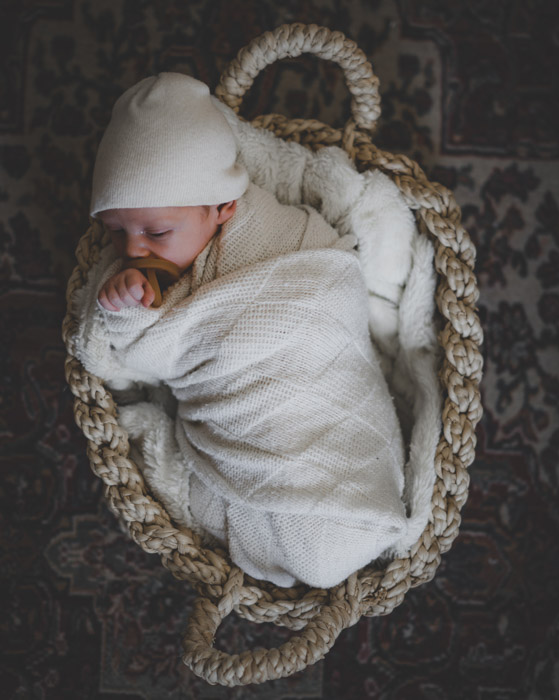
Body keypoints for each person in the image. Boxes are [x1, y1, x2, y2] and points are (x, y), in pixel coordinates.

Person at [76, 72, 408, 589]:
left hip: (315, 380)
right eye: (118, 231)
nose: (135, 250)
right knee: (307, 550)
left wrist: (151, 329)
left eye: (157, 231)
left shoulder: (285, 233)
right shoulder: (149, 280)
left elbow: (329, 273)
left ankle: (337, 510)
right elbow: (141, 356)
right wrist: (128, 313)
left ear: (224, 206)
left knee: (321, 549)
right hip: (241, 421)